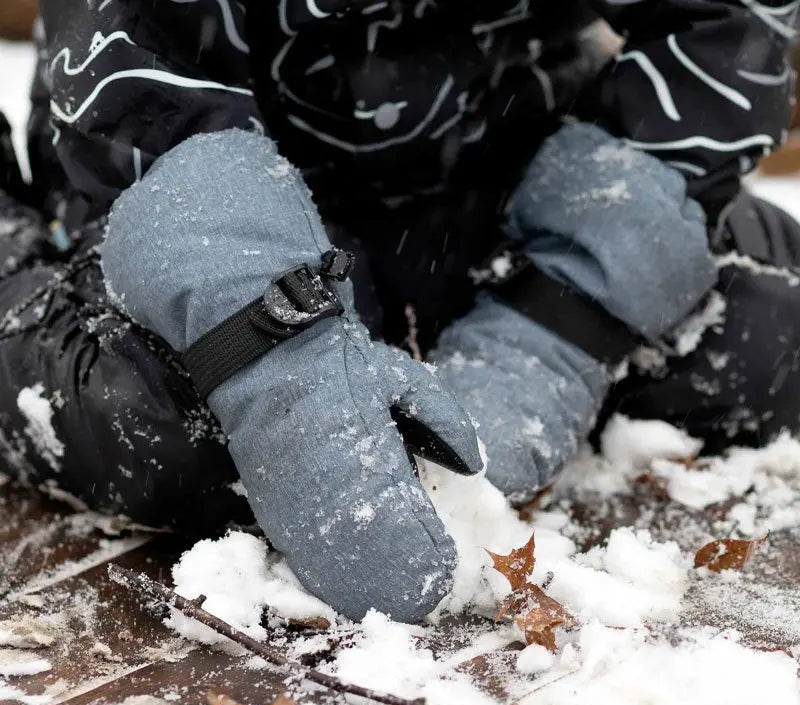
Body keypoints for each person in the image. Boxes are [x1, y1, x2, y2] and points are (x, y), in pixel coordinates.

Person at [0, 0, 797, 620]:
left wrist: (555, 324)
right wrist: (271, 352)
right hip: (196, 193)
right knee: (164, 426)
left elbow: (719, 37)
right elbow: (145, 80)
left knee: (764, 337)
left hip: (503, 186)